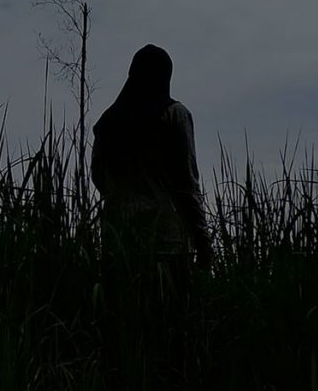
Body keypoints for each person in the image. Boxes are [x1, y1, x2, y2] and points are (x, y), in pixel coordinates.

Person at [91, 43, 212, 387]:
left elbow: (98, 177)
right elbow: (187, 183)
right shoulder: (174, 115)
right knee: (169, 342)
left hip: (118, 246)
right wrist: (203, 241)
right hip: (167, 246)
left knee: (124, 342)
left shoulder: (107, 123)